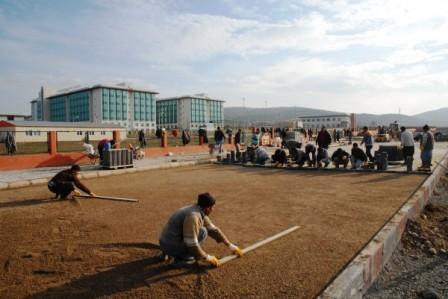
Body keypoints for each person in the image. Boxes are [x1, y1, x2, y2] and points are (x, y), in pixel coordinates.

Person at [159, 193, 243, 266]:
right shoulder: (193, 216)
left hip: (165, 242)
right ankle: (182, 259)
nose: (213, 210)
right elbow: (191, 242)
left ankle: (168, 252)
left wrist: (231, 245)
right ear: (207, 208)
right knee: (203, 232)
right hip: (170, 246)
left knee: (204, 230)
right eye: (212, 207)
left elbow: (213, 230)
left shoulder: (197, 209)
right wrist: (206, 257)